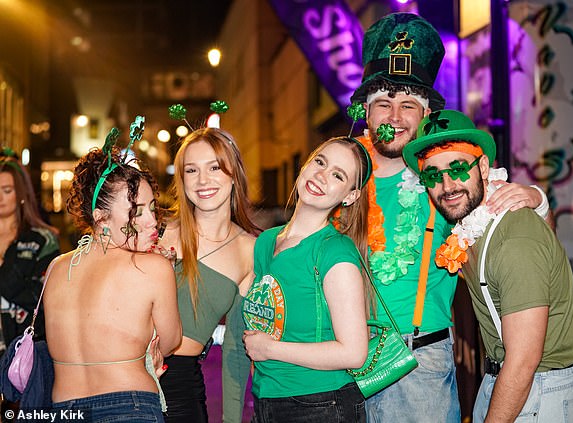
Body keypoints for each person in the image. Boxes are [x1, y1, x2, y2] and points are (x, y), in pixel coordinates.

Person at [349, 12, 550, 422]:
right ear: (365, 112)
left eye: (408, 104)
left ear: (425, 115)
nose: (395, 117)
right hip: (340, 361)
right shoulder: (340, 175)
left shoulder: (444, 176)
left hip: (417, 366)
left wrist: (536, 199)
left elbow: (529, 239)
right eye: (383, 103)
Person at [403, 109, 573, 422]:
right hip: (505, 378)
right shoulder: (470, 223)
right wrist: (542, 204)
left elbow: (523, 361)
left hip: (538, 387)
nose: (447, 185)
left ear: (485, 167)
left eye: (459, 168)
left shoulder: (513, 240)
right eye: (433, 174)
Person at [43, 126, 182, 422]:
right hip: (130, 407)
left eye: (153, 208)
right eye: (137, 212)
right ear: (100, 217)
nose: (152, 222)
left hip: (62, 411)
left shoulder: (56, 268)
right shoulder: (153, 268)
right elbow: (170, 343)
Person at [242, 136, 372, 423]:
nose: (322, 176)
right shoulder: (265, 242)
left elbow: (354, 353)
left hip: (321, 404)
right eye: (320, 162)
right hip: (266, 400)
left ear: (350, 196)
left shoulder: (335, 251)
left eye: (338, 175)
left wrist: (269, 349)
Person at [158, 127, 259, 423]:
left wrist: (231, 420)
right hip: (125, 379)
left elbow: (236, 350)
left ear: (233, 173)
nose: (203, 180)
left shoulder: (249, 250)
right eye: (192, 170)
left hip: (181, 389)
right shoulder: (157, 230)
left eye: (214, 167)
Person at [0, 148, 59, 353]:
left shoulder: (41, 240)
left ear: (21, 193)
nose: (0, 197)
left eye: (7, 190)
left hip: (23, 353)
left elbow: (43, 300)